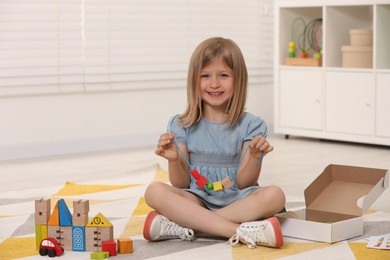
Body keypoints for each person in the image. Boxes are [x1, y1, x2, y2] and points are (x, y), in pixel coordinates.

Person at [143, 37, 286, 249]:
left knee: (275, 195)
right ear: (194, 80)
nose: (214, 84)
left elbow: (245, 183)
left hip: (238, 200)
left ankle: (190, 225)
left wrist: (255, 157)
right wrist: (174, 160)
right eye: (205, 76)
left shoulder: (252, 125)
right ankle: (236, 231)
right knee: (153, 191)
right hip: (197, 199)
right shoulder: (181, 124)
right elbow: (181, 184)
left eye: (224, 75)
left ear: (238, 80)